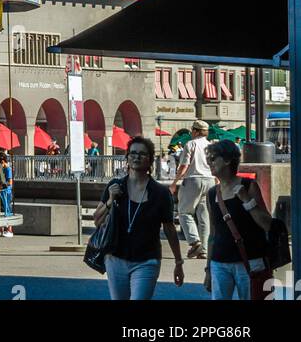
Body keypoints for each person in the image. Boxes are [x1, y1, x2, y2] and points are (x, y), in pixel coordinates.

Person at [93, 135, 184, 301]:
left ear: (150, 160)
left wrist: (178, 262)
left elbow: (169, 228)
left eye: (142, 154)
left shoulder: (160, 193)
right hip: (116, 258)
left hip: (147, 260)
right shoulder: (115, 186)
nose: (136, 157)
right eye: (133, 153)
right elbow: (97, 220)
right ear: (127, 157)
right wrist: (110, 200)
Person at [204, 140, 273, 301]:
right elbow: (212, 233)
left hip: (250, 261)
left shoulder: (249, 187)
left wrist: (247, 201)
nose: (209, 163)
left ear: (228, 160)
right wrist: (208, 269)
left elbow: (267, 224)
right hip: (219, 263)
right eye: (208, 159)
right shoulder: (212, 194)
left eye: (213, 158)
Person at [171, 119, 212, 259]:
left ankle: (195, 242)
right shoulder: (210, 146)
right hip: (210, 181)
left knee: (184, 212)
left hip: (193, 179)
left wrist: (174, 182)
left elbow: (184, 166)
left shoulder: (191, 144)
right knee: (204, 216)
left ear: (195, 131)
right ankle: (204, 249)